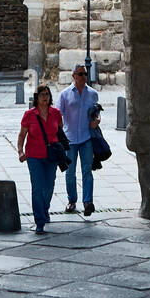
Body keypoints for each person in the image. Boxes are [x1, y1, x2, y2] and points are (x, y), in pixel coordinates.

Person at [17, 83, 63, 234]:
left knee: (49, 186)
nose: (45, 97)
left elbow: (60, 133)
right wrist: (20, 151)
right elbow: (22, 135)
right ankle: (40, 220)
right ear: (37, 98)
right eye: (42, 95)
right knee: (37, 188)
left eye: (47, 95)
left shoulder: (56, 113)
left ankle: (44, 209)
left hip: (51, 156)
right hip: (34, 156)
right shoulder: (29, 115)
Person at [57, 64, 100, 216]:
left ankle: (88, 202)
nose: (83, 77)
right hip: (69, 139)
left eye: (85, 74)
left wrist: (97, 120)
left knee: (87, 171)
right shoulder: (64, 94)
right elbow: (58, 116)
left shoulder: (93, 94)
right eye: (80, 74)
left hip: (86, 138)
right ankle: (72, 200)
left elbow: (96, 112)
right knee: (70, 172)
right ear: (73, 76)